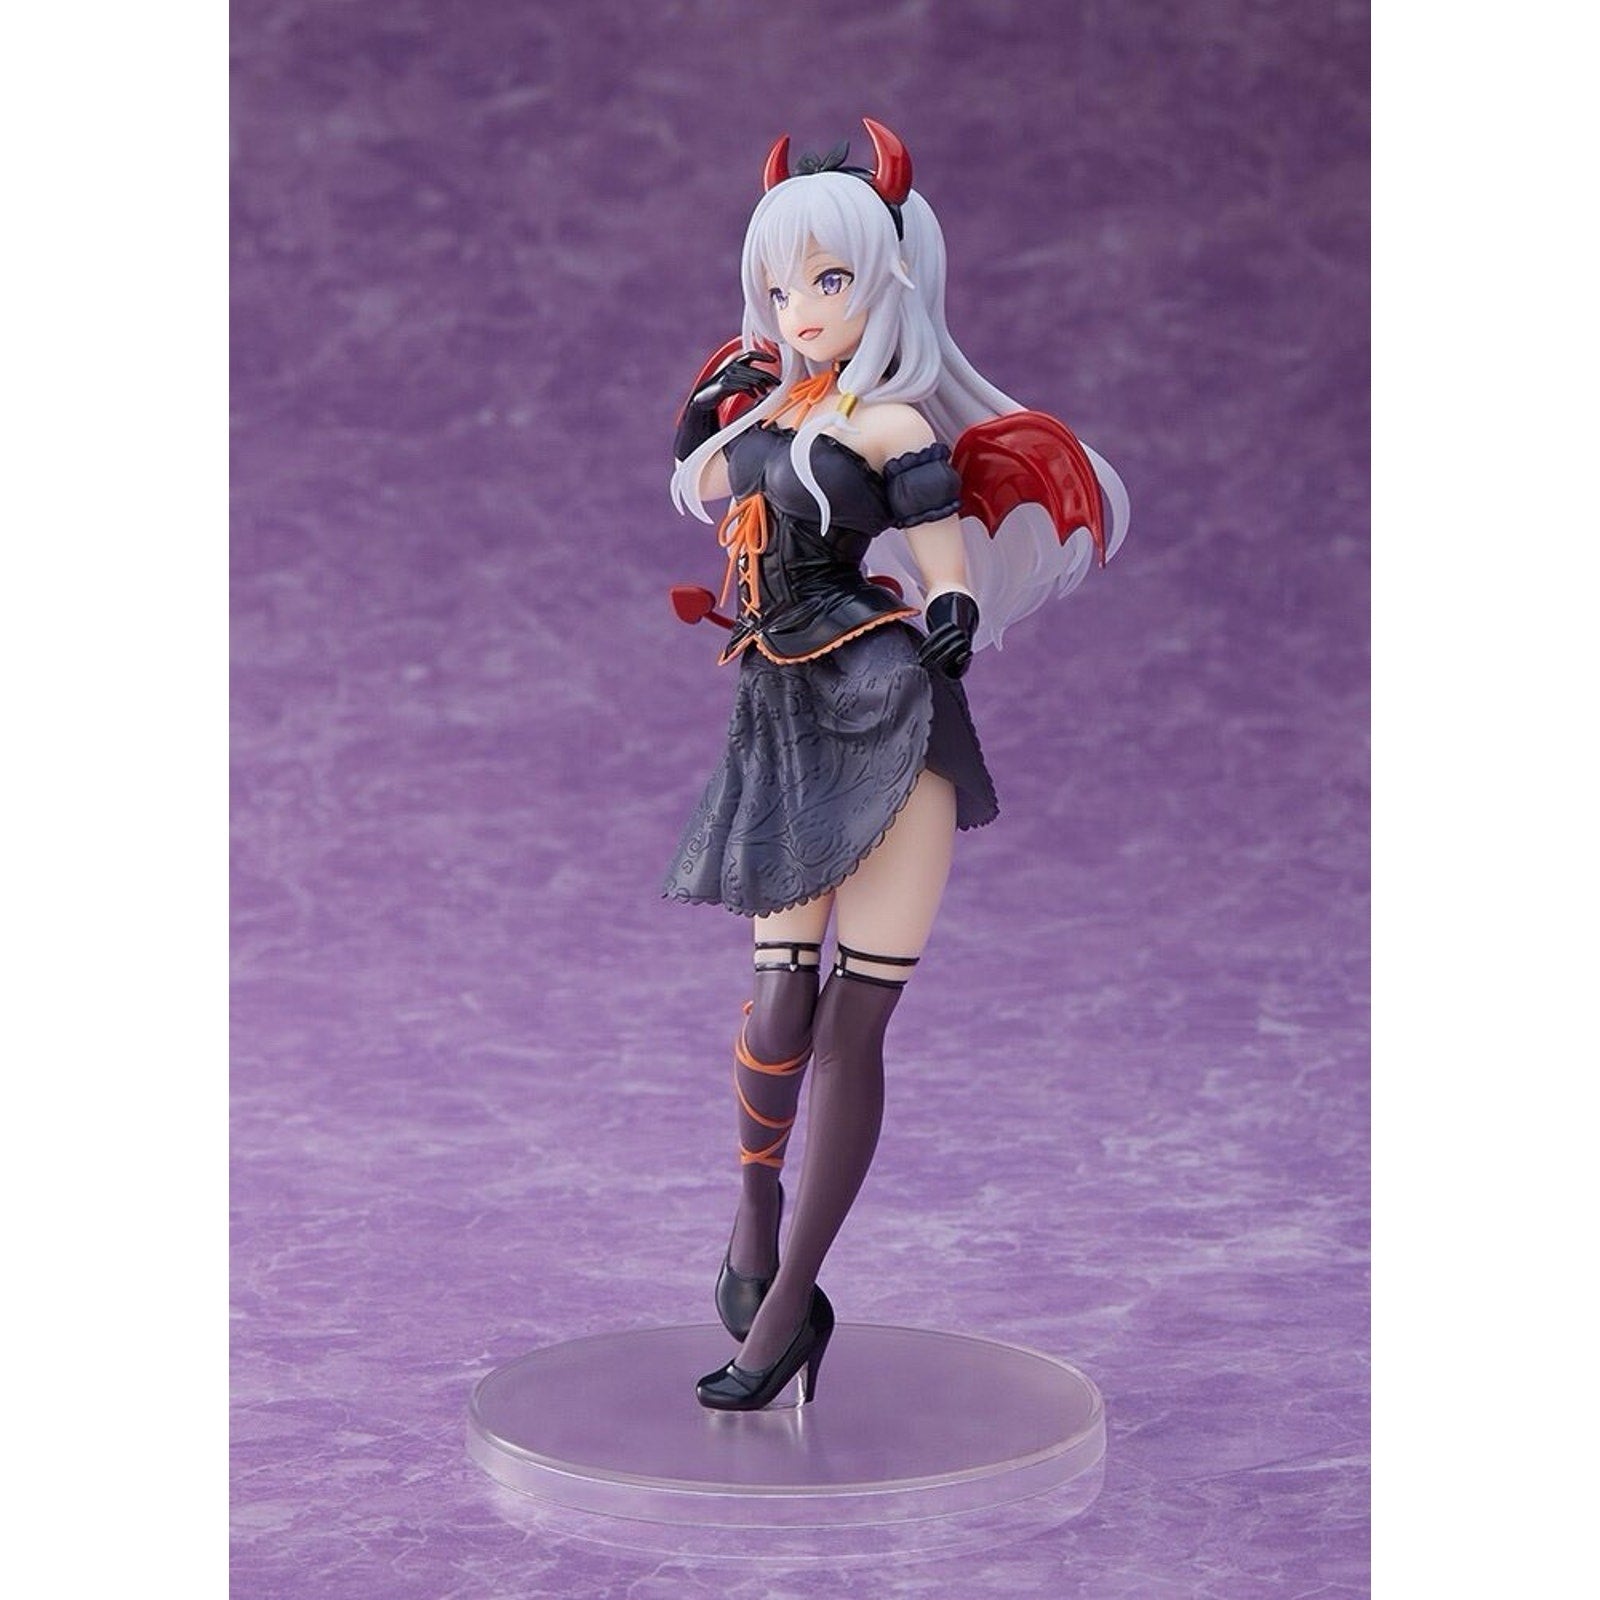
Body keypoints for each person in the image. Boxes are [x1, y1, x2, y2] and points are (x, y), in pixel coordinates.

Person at [662, 119, 1127, 1411]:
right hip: (780, 711)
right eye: (783, 285)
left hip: (886, 708)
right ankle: (753, 1223)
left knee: (851, 1023)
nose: (803, 309)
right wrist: (702, 419)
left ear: (889, 280)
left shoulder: (889, 425)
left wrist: (957, 606)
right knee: (775, 1007)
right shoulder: (765, 407)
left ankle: (786, 1310)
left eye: (831, 280)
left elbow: (939, 554)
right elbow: (710, 488)